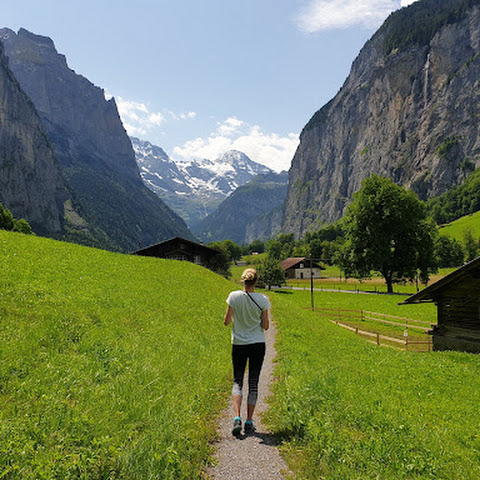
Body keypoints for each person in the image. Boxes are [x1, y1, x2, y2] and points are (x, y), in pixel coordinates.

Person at [224, 268, 270, 436]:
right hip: (258, 344)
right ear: (256, 281)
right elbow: (265, 326)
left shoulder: (233, 296)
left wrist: (238, 319)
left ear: (243, 281)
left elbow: (226, 321)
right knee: (253, 382)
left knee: (237, 380)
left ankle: (237, 418)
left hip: (239, 344)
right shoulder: (263, 300)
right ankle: (249, 421)